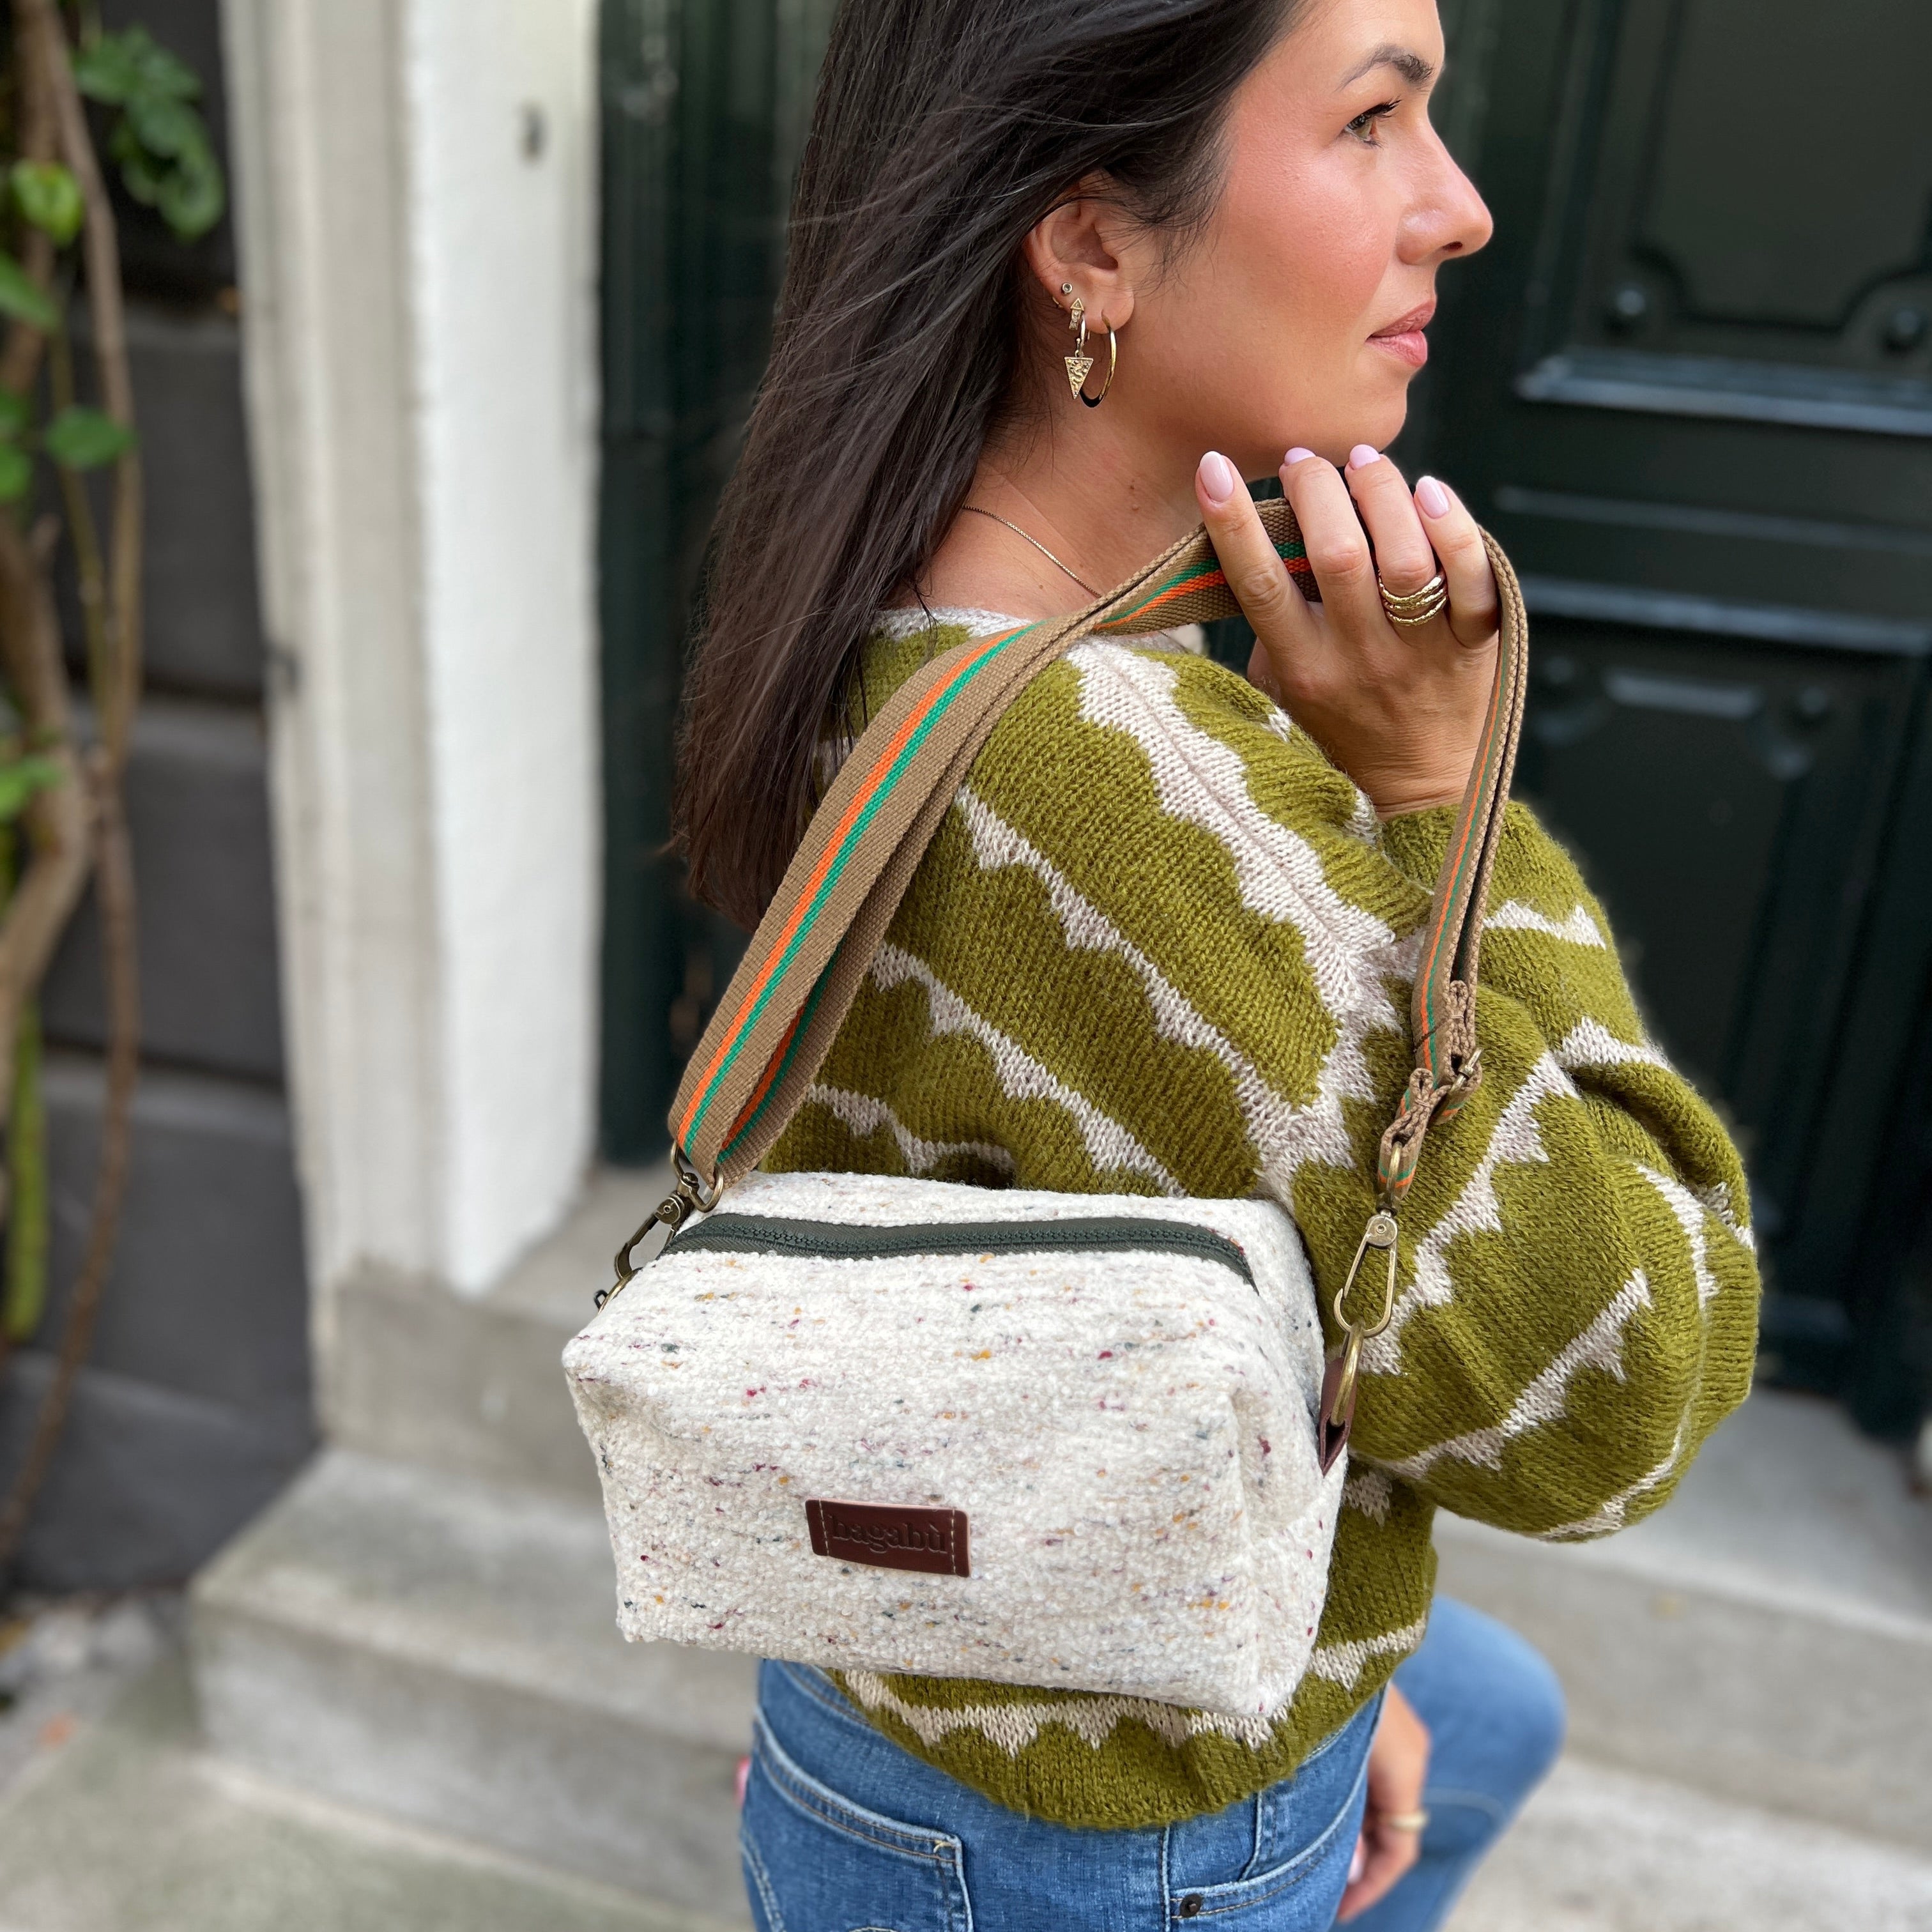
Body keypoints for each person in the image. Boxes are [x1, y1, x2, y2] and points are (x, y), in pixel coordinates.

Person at [672, 0, 1761, 1925]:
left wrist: (1339, 1641)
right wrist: (1443, 798)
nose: (1465, 207)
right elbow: (1633, 1382)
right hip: (1095, 1849)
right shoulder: (1108, 788)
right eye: (1374, 120)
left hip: (904, 1720)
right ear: (1093, 242)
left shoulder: (893, 621)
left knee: (1481, 1707)